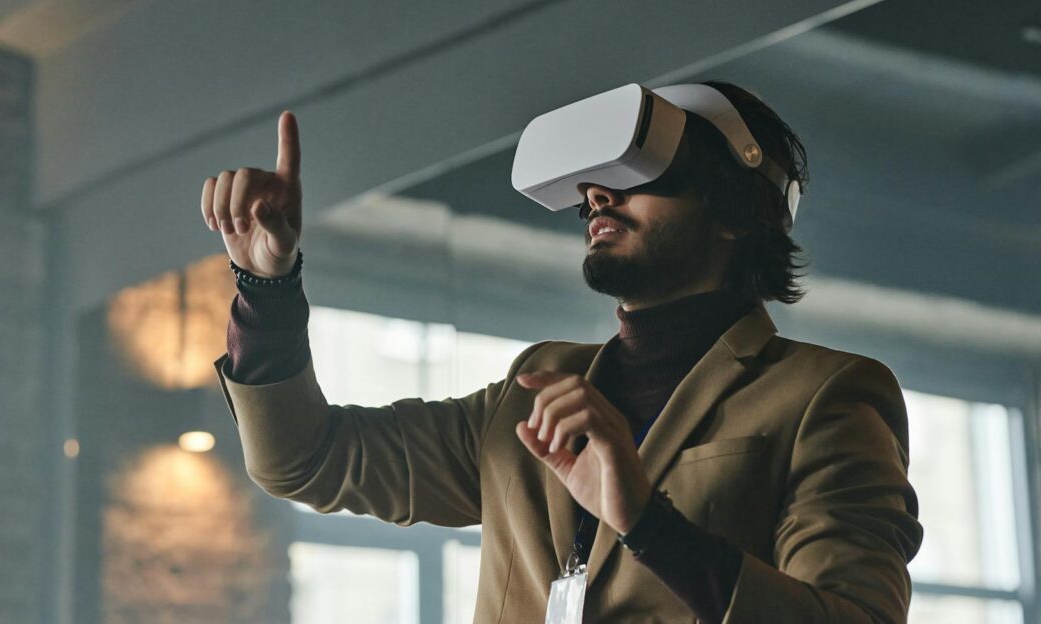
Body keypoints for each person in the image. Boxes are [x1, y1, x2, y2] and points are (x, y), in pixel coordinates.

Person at [201, 81, 923, 623]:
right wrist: (265, 289)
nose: (596, 195)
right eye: (593, 182)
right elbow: (304, 459)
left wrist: (649, 522)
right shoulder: (533, 391)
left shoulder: (827, 394)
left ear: (736, 209)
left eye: (640, 171)